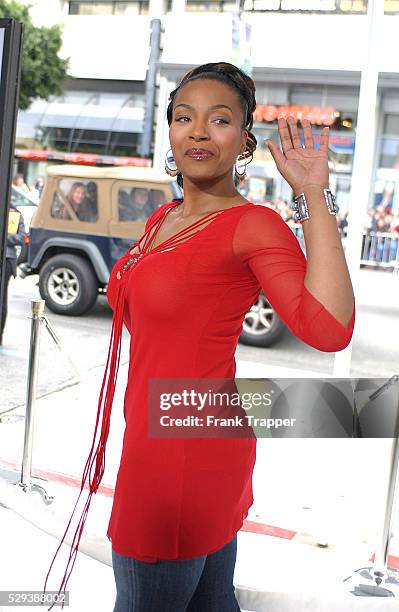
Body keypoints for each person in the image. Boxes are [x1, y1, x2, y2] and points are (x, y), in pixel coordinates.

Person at [44, 62, 356, 611]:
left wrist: (312, 193)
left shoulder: (252, 225)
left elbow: (329, 328)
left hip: (178, 456)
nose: (198, 131)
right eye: (184, 117)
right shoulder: (164, 217)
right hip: (172, 431)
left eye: (220, 119)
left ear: (244, 140)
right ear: (169, 131)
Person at [0, 201, 26, 345]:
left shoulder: (14, 212)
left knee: (2, 299)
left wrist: (3, 236)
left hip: (7, 259)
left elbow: (22, 237)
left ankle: (0, 334)